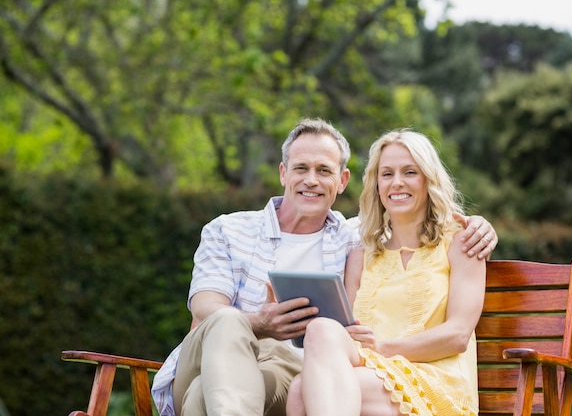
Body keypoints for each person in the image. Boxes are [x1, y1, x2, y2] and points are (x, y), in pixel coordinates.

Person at [151, 119, 496, 416]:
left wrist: (481, 224)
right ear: (283, 173)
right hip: (218, 353)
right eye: (301, 168)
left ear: (342, 181)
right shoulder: (229, 229)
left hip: (295, 370)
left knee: (213, 396)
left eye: (324, 171)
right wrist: (260, 321)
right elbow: (204, 310)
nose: (311, 180)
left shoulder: (351, 238)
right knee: (228, 320)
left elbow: (410, 221)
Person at [285, 129, 486, 416]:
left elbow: (457, 335)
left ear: (429, 180)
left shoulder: (460, 242)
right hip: (372, 374)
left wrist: (380, 348)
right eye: (387, 174)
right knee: (318, 335)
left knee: (303, 392)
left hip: (436, 384)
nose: (397, 183)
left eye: (410, 172)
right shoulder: (361, 256)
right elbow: (347, 336)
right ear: (377, 184)